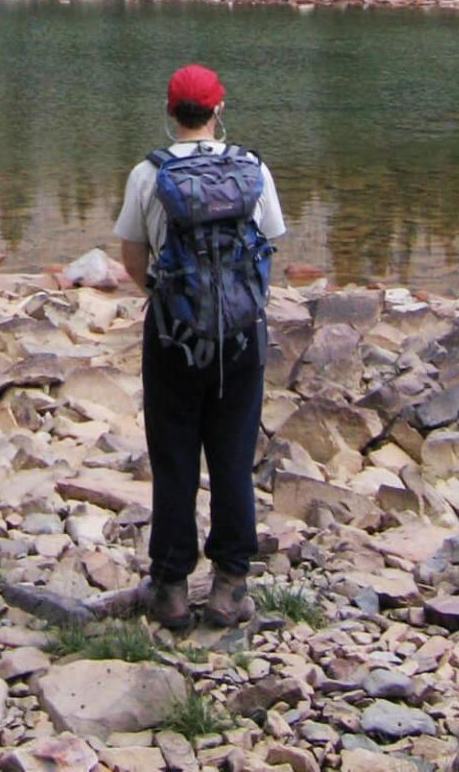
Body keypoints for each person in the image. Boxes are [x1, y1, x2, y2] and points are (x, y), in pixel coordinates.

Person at [114, 62, 285, 630]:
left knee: (174, 457)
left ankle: (170, 586)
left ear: (169, 111)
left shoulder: (148, 173)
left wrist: (170, 299)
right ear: (219, 109)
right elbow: (272, 242)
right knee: (234, 457)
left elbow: (133, 259)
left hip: (172, 336)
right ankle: (231, 585)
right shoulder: (252, 167)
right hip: (240, 336)